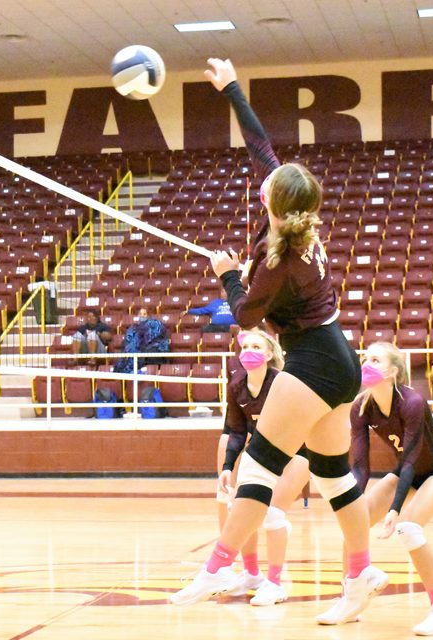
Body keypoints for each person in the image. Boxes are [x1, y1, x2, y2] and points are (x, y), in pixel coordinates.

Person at [171, 59, 386, 626]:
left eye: (268, 179)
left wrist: (226, 272)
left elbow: (245, 314)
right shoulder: (297, 224)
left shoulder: (275, 259)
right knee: (335, 477)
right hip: (338, 356)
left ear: (272, 201)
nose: (262, 173)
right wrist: (232, 89)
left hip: (313, 361)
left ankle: (217, 567)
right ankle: (360, 572)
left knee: (258, 470)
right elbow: (260, 143)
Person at [350, 343, 433, 635]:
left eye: (375, 359)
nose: (367, 364)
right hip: (406, 471)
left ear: (393, 371)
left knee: (408, 528)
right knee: (355, 519)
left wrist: (395, 510)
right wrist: (352, 498)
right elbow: (361, 464)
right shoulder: (361, 406)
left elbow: (410, 459)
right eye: (365, 359)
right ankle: (351, 598)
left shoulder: (412, 402)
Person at [217, 328, 309, 606]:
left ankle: (276, 583)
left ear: (270, 354)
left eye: (257, 346)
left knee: (272, 514)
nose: (248, 352)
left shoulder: (283, 382)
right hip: (261, 456)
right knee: (241, 510)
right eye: (244, 347)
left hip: (296, 454)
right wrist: (227, 466)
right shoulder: (236, 385)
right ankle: (252, 574)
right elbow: (235, 431)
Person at [113, 307, 169, 373]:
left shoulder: (155, 324)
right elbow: (128, 341)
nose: (142, 315)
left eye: (144, 314)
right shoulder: (133, 328)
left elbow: (157, 337)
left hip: (150, 351)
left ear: (148, 316)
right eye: (140, 314)